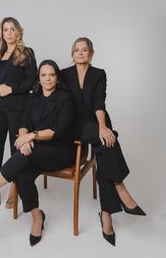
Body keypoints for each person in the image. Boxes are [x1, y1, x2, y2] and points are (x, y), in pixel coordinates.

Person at [0, 60, 77, 246]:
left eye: (52, 75)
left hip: (60, 151)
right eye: (44, 75)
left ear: (57, 77)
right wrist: (24, 138)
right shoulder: (33, 98)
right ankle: (37, 216)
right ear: (38, 78)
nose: (48, 79)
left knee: (27, 154)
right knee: (22, 175)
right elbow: (23, 123)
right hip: (35, 150)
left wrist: (30, 136)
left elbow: (59, 130)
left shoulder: (65, 98)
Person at [61, 37, 146, 246]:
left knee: (105, 145)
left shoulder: (99, 74)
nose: (80, 53)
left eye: (85, 50)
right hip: (74, 125)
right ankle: (119, 187)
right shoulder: (63, 74)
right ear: (72, 53)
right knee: (109, 141)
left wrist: (102, 126)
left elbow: (100, 100)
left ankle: (106, 214)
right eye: (77, 50)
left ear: (91, 53)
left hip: (95, 121)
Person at [0, 17, 37, 212]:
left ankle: (16, 188)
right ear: (1, 33)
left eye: (12, 29)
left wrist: (12, 89)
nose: (9, 33)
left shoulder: (26, 53)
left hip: (18, 108)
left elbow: (33, 82)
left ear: (18, 32)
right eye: (5, 30)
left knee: (16, 150)